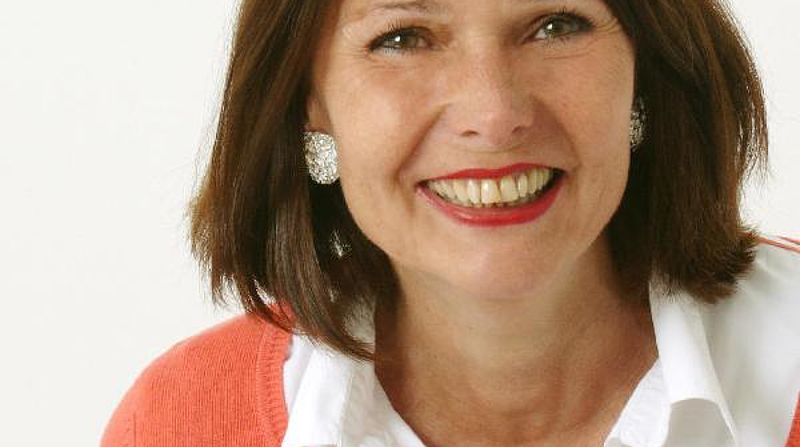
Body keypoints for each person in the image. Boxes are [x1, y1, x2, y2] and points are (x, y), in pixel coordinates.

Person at [101, 0, 800, 445]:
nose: (494, 116)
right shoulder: (178, 424)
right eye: (404, 37)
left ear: (645, 64)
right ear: (307, 98)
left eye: (556, 25)